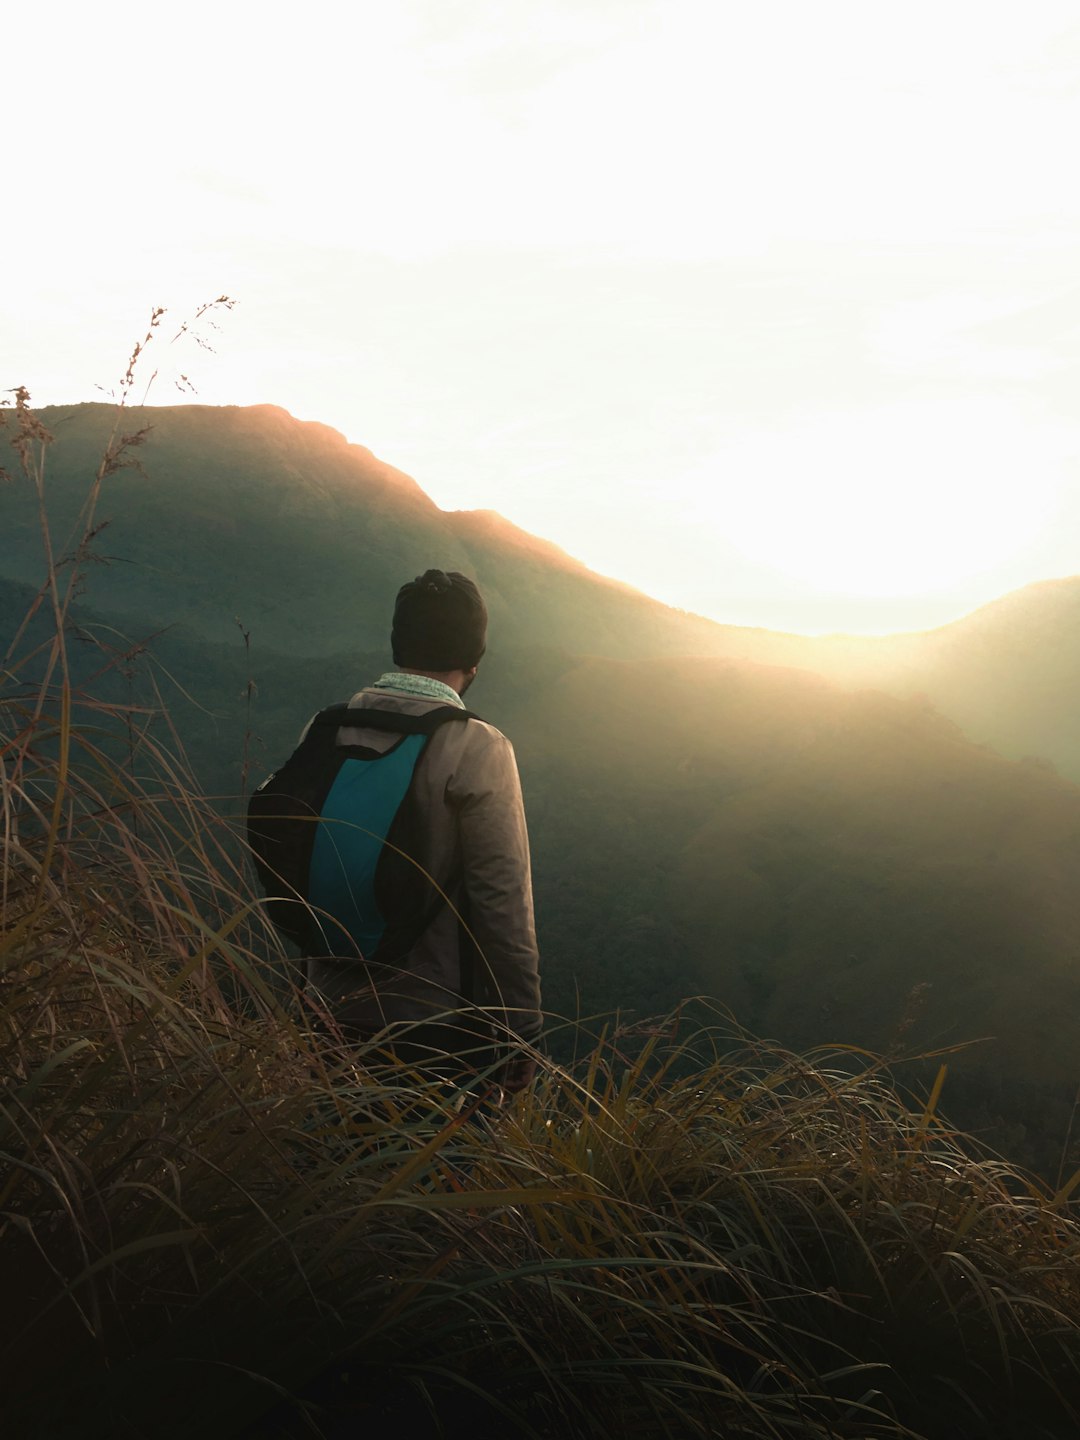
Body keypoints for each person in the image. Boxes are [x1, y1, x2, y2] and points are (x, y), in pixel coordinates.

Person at [303, 569, 541, 1093]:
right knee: (431, 1174)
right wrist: (521, 1030)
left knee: (324, 1166)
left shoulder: (325, 729)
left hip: (325, 1010)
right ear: (474, 659)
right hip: (432, 1026)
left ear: (397, 643)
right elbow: (501, 900)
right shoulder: (478, 748)